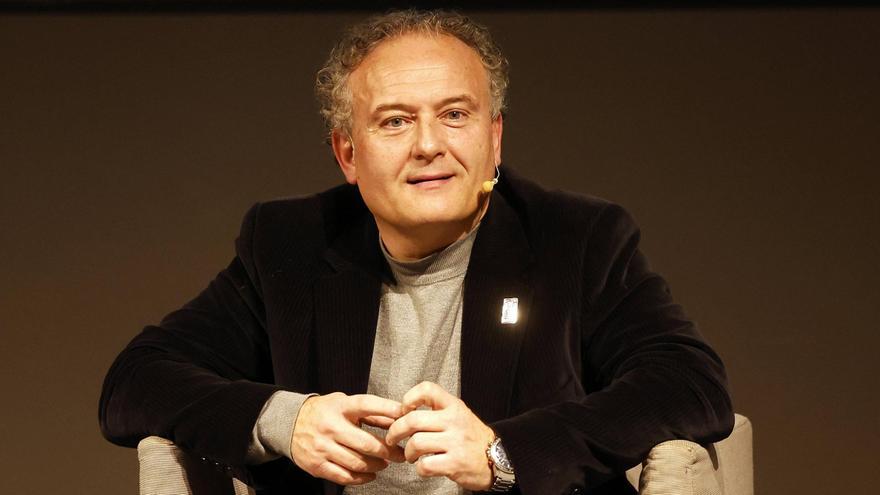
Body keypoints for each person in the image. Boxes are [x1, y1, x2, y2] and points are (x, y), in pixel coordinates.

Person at [99, 9, 733, 495]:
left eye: (455, 114)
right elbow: (136, 379)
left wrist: (501, 454)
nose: (429, 145)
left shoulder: (575, 238)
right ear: (347, 153)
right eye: (395, 121)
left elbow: (690, 385)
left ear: (494, 137)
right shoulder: (290, 244)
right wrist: (285, 420)